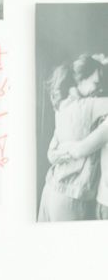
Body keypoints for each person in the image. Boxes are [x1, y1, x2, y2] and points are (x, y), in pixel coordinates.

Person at [44, 52, 108, 221]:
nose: (99, 87)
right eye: (95, 82)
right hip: (71, 196)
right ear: (80, 80)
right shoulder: (88, 107)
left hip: (52, 188)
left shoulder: (62, 106)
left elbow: (52, 153)